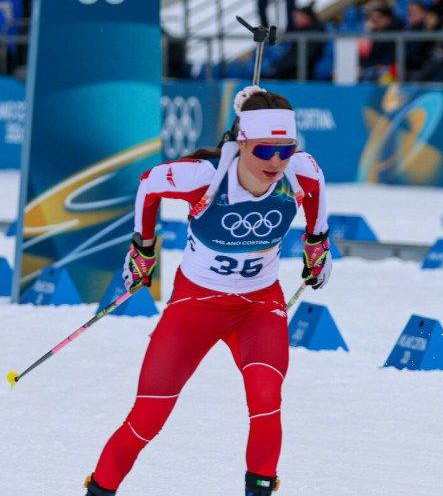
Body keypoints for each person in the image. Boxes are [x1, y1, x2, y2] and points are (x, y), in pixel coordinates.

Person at [84, 86, 332, 496]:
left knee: (266, 397)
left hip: (258, 305)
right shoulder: (202, 176)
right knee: (148, 417)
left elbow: (318, 194)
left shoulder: (301, 171)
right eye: (265, 150)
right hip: (195, 306)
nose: (276, 162)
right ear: (243, 142)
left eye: (285, 150)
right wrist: (143, 249)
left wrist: (317, 243)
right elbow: (148, 184)